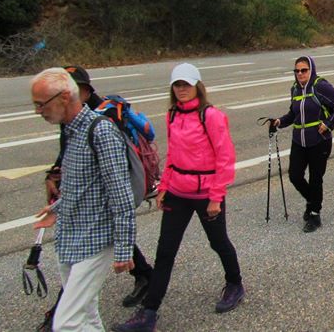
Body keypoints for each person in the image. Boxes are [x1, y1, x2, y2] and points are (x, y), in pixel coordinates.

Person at [115, 63, 244, 331]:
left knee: (218, 242)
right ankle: (148, 314)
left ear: (197, 85)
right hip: (178, 192)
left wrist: (216, 197)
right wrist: (164, 187)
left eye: (186, 84)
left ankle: (235, 284)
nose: (181, 89)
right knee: (165, 252)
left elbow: (225, 158)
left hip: (206, 192)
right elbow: (173, 154)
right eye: (177, 85)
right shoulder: (172, 114)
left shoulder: (211, 116)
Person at [30, 68, 135, 331]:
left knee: (66, 323)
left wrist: (124, 249)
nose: (38, 111)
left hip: (96, 242)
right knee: (87, 316)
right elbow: (79, 186)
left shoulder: (101, 133)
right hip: (70, 239)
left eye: (41, 104)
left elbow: (121, 196)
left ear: (65, 97)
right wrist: (56, 209)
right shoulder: (69, 131)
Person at [44, 66, 152, 312]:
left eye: (76, 89)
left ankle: (63, 312)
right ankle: (143, 274)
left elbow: (117, 175)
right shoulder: (69, 114)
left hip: (108, 189)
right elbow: (67, 149)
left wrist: (123, 249)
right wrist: (56, 173)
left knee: (100, 243)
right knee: (98, 244)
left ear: (85, 90)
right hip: (86, 194)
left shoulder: (104, 117)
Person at [271, 56, 334, 232]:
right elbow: (293, 114)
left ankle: (315, 214)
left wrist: (329, 123)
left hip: (319, 141)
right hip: (299, 140)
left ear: (311, 70)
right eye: (297, 70)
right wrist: (279, 122)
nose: (300, 73)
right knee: (295, 176)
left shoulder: (319, 86)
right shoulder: (295, 89)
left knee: (316, 178)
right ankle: (312, 201)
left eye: (304, 70)